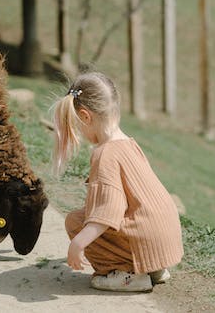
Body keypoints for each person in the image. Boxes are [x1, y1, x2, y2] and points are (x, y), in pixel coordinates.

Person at [49, 72, 183, 292]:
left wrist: (78, 243)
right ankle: (154, 268)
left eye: (77, 125)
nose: (79, 133)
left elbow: (107, 212)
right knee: (89, 217)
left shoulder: (105, 154)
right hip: (165, 240)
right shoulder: (129, 144)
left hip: (147, 239)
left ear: (85, 117)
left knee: (75, 222)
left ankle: (128, 275)